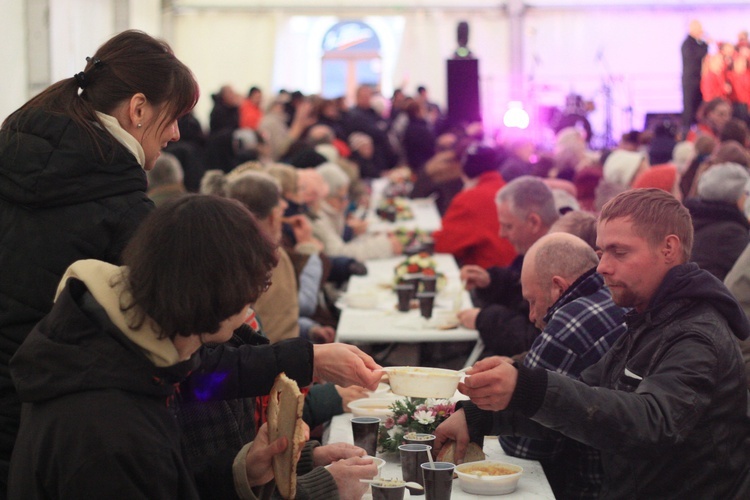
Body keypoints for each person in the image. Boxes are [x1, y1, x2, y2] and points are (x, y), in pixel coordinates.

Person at [436, 188, 750, 498]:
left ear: (668, 249)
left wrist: (525, 388)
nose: (602, 267)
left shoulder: (696, 334)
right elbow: (584, 395)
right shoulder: (648, 317)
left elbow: (652, 423)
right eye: (601, 254)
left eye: (620, 252)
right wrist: (485, 414)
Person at [0, 29, 199, 493]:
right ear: (138, 109)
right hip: (54, 419)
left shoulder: (13, 159)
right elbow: (169, 343)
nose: (176, 133)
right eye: (174, 117)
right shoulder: (120, 206)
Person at [499, 232, 628, 499]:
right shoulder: (615, 299)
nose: (533, 316)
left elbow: (523, 448)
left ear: (558, 288)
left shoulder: (569, 323)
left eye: (533, 301)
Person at [457, 176, 558, 358]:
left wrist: (484, 319)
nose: (501, 234)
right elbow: (518, 290)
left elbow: (535, 341)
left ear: (534, 222)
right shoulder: (538, 250)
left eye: (508, 226)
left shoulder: (559, 261)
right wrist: (490, 281)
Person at [432, 145, 516, 269]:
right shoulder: (510, 191)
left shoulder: (469, 199)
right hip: (513, 275)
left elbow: (443, 245)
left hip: (484, 277)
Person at [685, 162, 750, 281]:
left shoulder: (695, 218)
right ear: (733, 195)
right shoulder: (730, 233)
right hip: (718, 297)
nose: (746, 198)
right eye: (745, 193)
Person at [682, 20, 709, 134]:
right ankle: (686, 134)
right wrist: (705, 43)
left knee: (698, 110)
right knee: (689, 110)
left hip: (697, 81)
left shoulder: (695, 44)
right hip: (690, 82)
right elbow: (697, 56)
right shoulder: (687, 44)